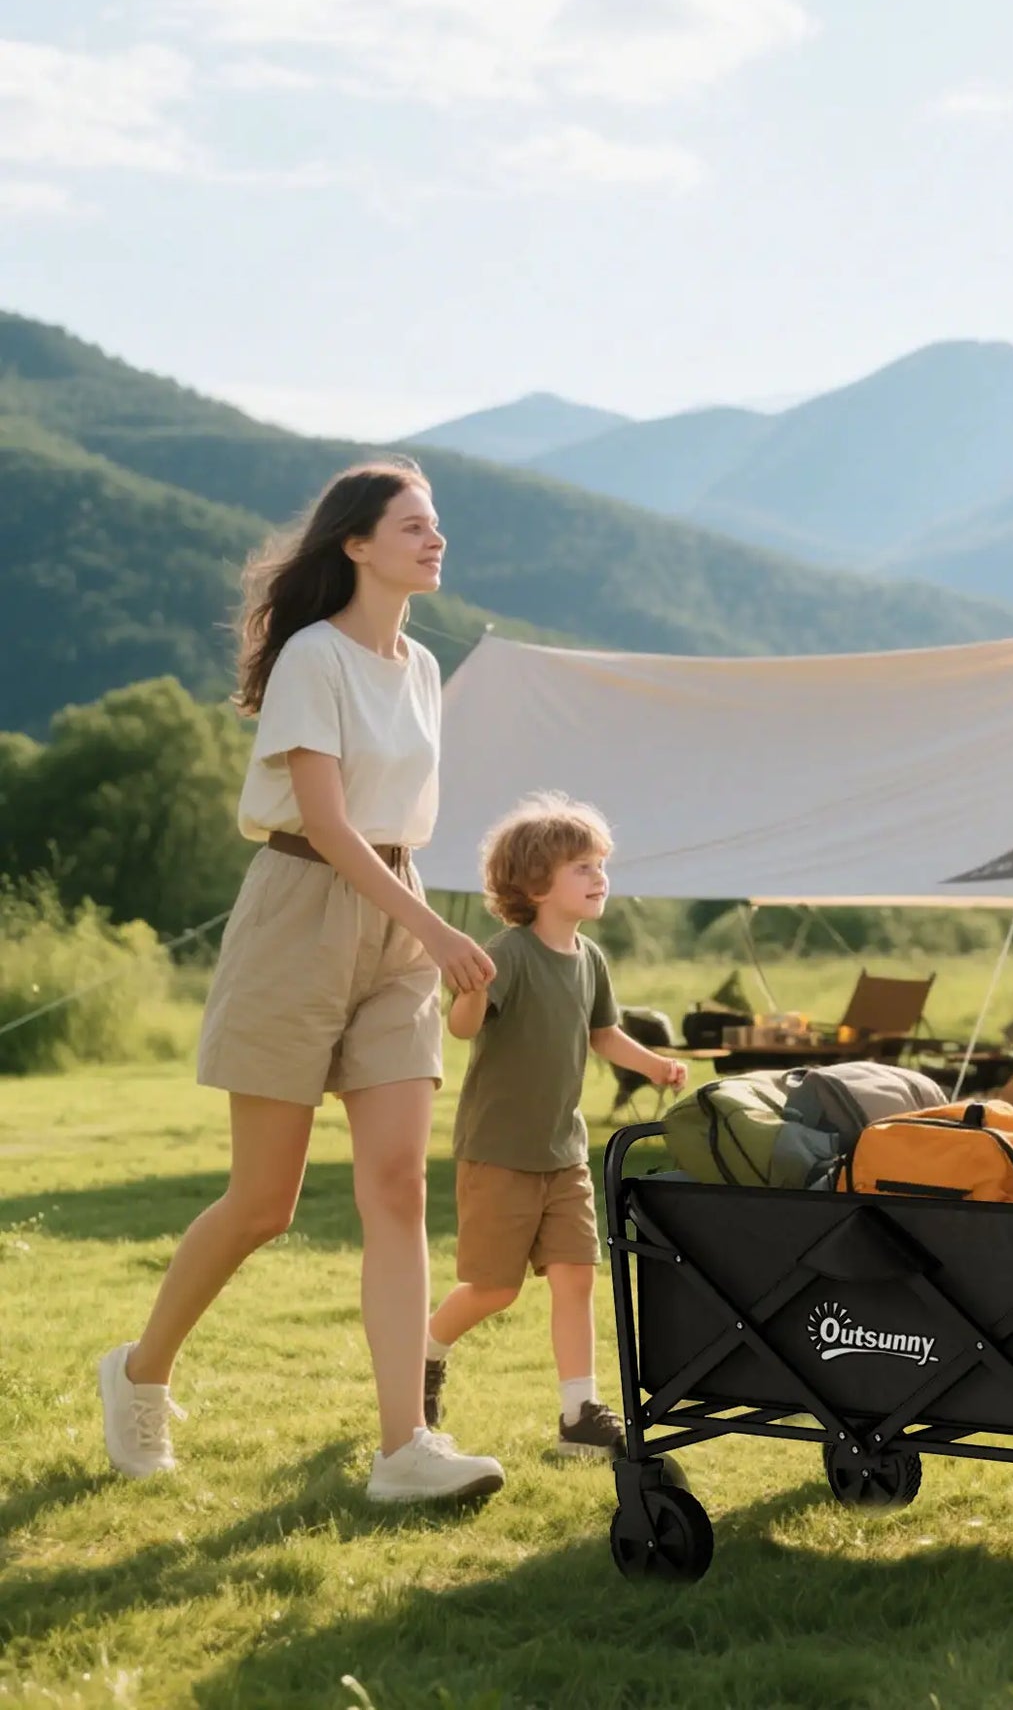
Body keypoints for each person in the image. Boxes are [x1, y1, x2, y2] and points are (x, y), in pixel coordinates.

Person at [98, 462, 507, 1504]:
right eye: (414, 525)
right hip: (300, 909)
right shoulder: (313, 658)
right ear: (357, 545)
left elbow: (393, 820)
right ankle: (140, 1371)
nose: (436, 538)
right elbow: (325, 822)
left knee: (398, 1185)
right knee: (263, 1201)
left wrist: (416, 924)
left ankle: (402, 1444)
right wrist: (433, 926)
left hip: (394, 918)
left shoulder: (418, 665)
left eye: (437, 524)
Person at [423, 794, 687, 1460]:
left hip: (564, 1154)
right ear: (535, 883)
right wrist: (473, 990)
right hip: (499, 1153)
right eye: (582, 867)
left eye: (601, 864)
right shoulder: (506, 954)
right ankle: (423, 1354)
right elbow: (462, 1027)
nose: (599, 877)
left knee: (576, 1277)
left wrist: (653, 1065)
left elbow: (603, 1033)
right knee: (495, 1288)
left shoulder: (590, 958)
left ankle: (578, 1416)